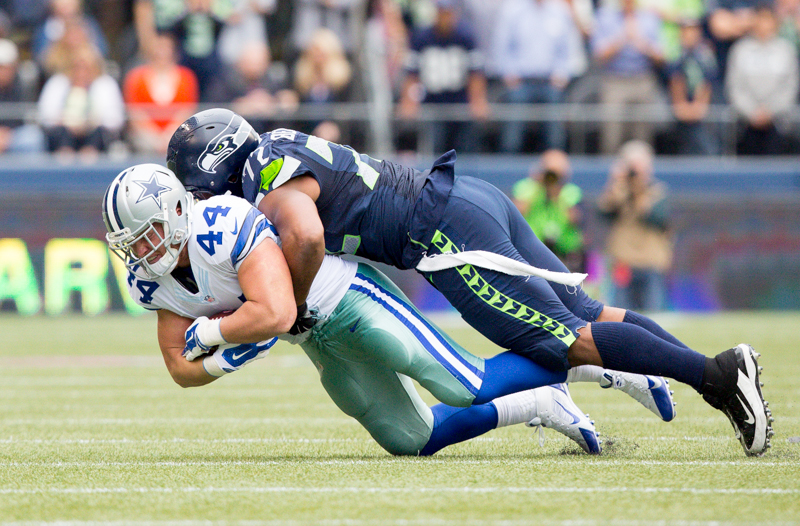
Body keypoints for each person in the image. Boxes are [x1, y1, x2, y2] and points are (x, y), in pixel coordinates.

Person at [166, 108, 774, 456]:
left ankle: (717, 376)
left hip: (443, 235)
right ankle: (667, 367)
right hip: (463, 200)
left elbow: (305, 237)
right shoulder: (272, 147)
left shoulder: (263, 172)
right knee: (591, 313)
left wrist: (291, 301)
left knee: (566, 341)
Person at [102, 164, 679, 456]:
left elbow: (275, 312)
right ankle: (537, 401)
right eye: (133, 243)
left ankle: (597, 362)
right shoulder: (149, 279)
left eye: (148, 234)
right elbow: (179, 366)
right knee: (413, 439)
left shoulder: (220, 225)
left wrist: (216, 331)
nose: (143, 251)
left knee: (464, 384)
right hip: (315, 337)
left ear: (179, 209)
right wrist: (223, 359)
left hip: (345, 299)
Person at [397, 0, 489, 154]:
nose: (445, 16)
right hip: (432, 102)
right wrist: (408, 101)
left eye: (448, 12)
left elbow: (476, 73)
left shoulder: (466, 36)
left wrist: (478, 100)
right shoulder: (422, 37)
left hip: (460, 103)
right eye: (442, 11)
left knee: (464, 150)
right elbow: (412, 74)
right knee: (435, 149)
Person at [596, 141, 672, 311]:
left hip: (650, 261)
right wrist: (615, 183)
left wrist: (639, 190)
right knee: (619, 311)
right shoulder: (618, 191)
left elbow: (656, 218)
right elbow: (603, 213)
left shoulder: (658, 191)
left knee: (654, 311)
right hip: (623, 260)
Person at [492, 0, 574, 152]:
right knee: (513, 134)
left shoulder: (559, 10)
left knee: (555, 135)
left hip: (550, 81)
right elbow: (502, 47)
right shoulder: (512, 10)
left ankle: (554, 167)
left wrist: (562, 73)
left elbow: (567, 49)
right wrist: (509, 73)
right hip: (520, 81)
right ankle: (508, 163)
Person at [591, 0, 665, 154]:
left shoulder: (650, 18)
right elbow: (599, 55)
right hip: (614, 80)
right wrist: (623, 38)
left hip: (643, 79)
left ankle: (642, 174)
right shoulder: (605, 16)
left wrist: (642, 44)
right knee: (612, 134)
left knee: (642, 135)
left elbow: (661, 57)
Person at [725, 3, 799, 155]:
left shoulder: (786, 50)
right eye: (760, 19)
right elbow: (734, 86)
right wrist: (752, 112)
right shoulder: (740, 50)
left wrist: (771, 111)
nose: (764, 24)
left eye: (768, 19)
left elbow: (790, 86)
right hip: (746, 125)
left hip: (779, 124)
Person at [37, 42, 125, 159]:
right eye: (77, 67)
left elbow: (116, 120)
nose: (81, 72)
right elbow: (45, 116)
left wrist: (90, 122)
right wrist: (67, 121)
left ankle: (89, 163)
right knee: (61, 134)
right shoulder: (58, 83)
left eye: (86, 67)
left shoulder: (105, 84)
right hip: (63, 133)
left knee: (98, 133)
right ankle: (64, 162)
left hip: (96, 135)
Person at [123, 30, 199, 155]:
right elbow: (134, 112)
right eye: (158, 47)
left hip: (178, 140)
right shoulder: (135, 77)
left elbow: (188, 110)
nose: (161, 52)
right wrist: (154, 140)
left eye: (166, 47)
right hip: (144, 142)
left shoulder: (187, 77)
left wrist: (170, 137)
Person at [511, 150, 584, 273]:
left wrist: (557, 195)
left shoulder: (570, 191)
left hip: (562, 251)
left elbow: (575, 219)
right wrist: (537, 187)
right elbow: (516, 213)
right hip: (531, 251)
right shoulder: (527, 187)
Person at [668, 17, 720, 156]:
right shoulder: (676, 54)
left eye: (693, 31)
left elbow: (707, 83)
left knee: (706, 143)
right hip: (680, 106)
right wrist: (681, 105)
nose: (689, 35)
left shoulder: (706, 55)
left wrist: (699, 106)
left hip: (703, 107)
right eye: (686, 31)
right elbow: (675, 80)